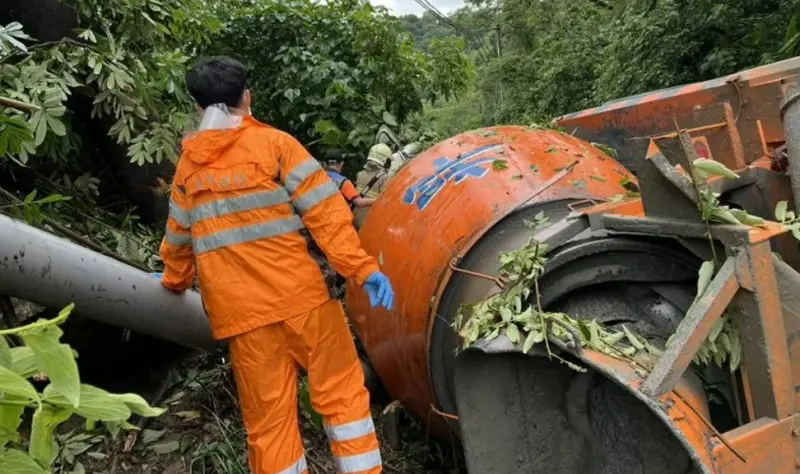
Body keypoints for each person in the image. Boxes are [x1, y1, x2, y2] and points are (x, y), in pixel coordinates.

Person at [157, 56, 394, 474]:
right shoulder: (276, 145)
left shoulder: (188, 170)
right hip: (305, 302)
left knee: (269, 425)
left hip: (244, 319)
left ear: (198, 109)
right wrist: (362, 269)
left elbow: (178, 240)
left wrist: (175, 282)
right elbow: (327, 215)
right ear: (246, 97)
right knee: (343, 398)